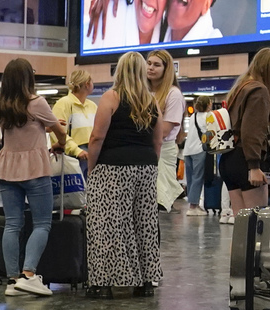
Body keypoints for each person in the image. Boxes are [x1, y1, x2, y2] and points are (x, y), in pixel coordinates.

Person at [85, 52, 161, 294]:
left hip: (113, 168)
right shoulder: (152, 101)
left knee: (107, 224)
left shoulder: (111, 97)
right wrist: (149, 164)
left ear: (119, 70)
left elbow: (97, 137)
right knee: (145, 223)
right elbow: (158, 141)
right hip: (147, 166)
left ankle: (104, 283)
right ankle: (146, 283)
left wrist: (91, 167)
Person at [0, 58, 66, 297]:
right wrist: (59, 144)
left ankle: (13, 281)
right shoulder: (37, 102)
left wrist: (43, 126)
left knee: (13, 224)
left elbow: (21, 126)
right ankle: (29, 275)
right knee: (42, 222)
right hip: (34, 169)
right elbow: (60, 132)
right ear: (28, 78)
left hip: (7, 168)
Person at [220, 47, 270, 219]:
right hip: (246, 161)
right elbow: (252, 131)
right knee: (255, 226)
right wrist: (254, 166)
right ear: (265, 68)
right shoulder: (259, 91)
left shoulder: (240, 88)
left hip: (229, 158)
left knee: (241, 226)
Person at [146, 50, 185, 211]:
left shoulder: (173, 94)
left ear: (166, 69)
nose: (151, 68)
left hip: (162, 150)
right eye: (148, 63)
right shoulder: (143, 91)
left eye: (156, 65)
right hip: (145, 149)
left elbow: (164, 131)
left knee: (156, 201)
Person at [184, 95, 222, 218]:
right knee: (197, 177)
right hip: (199, 149)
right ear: (208, 104)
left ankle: (192, 203)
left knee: (190, 178)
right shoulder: (209, 116)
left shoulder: (193, 116)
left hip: (187, 150)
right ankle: (193, 207)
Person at [52, 69, 98, 169]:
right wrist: (77, 150)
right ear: (87, 84)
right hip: (73, 156)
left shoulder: (92, 106)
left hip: (91, 153)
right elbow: (57, 132)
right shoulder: (63, 104)